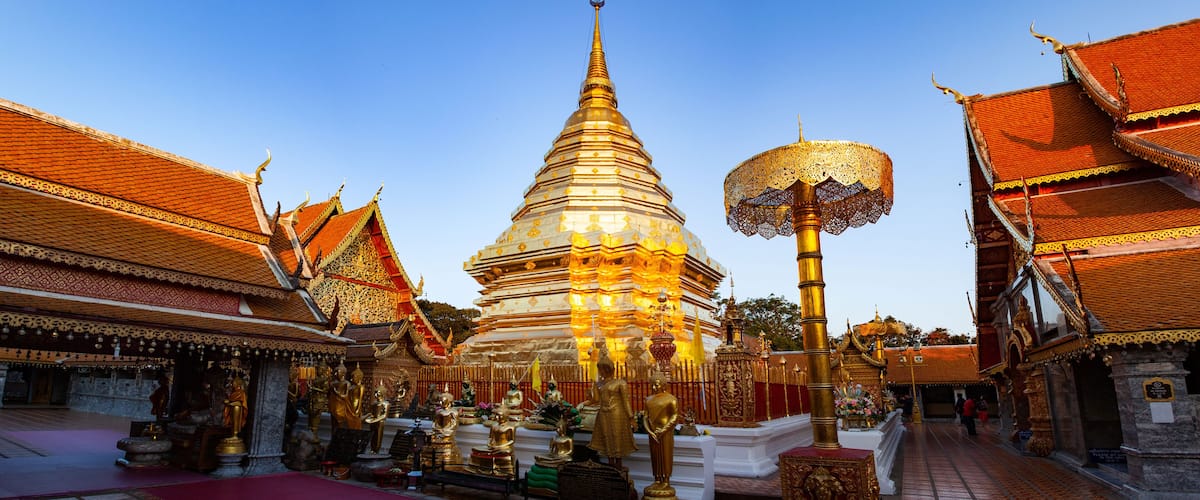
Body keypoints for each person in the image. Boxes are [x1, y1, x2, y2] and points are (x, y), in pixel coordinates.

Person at [582, 343, 637, 469]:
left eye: (602, 369)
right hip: (603, 413)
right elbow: (595, 400)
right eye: (599, 369)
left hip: (617, 413)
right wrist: (583, 403)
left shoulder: (620, 383)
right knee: (606, 438)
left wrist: (631, 417)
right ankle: (610, 464)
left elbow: (625, 401)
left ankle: (618, 464)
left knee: (617, 438)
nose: (600, 372)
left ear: (609, 369)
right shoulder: (598, 384)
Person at [644, 370, 679, 492]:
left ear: (664, 385)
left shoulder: (671, 399)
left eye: (657, 384)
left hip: (665, 433)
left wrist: (664, 430)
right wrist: (650, 431)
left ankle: (666, 480)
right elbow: (645, 417)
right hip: (653, 433)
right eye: (652, 385)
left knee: (665, 456)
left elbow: (674, 416)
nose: (654, 387)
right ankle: (657, 479)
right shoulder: (648, 399)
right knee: (655, 456)